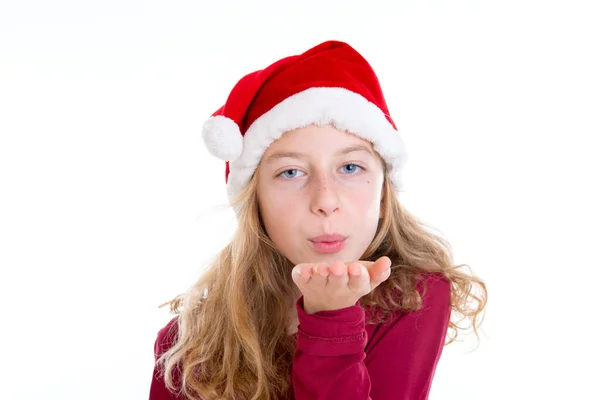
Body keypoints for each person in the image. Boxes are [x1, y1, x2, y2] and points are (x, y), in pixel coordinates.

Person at [149, 40, 487, 400]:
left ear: (384, 193)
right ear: (254, 200)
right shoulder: (188, 344)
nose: (325, 201)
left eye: (350, 167)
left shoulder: (415, 297)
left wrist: (332, 317)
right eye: (291, 172)